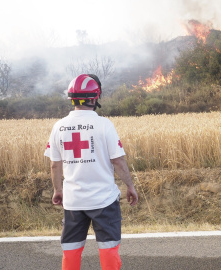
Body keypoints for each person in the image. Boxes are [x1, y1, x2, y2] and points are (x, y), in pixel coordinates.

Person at [44, 74, 139, 269]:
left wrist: (57, 190)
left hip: (73, 200)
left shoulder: (59, 126)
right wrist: (130, 186)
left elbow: (55, 164)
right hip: (103, 200)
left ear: (72, 98)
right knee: (108, 247)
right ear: (95, 98)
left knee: (71, 248)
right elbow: (118, 161)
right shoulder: (104, 124)